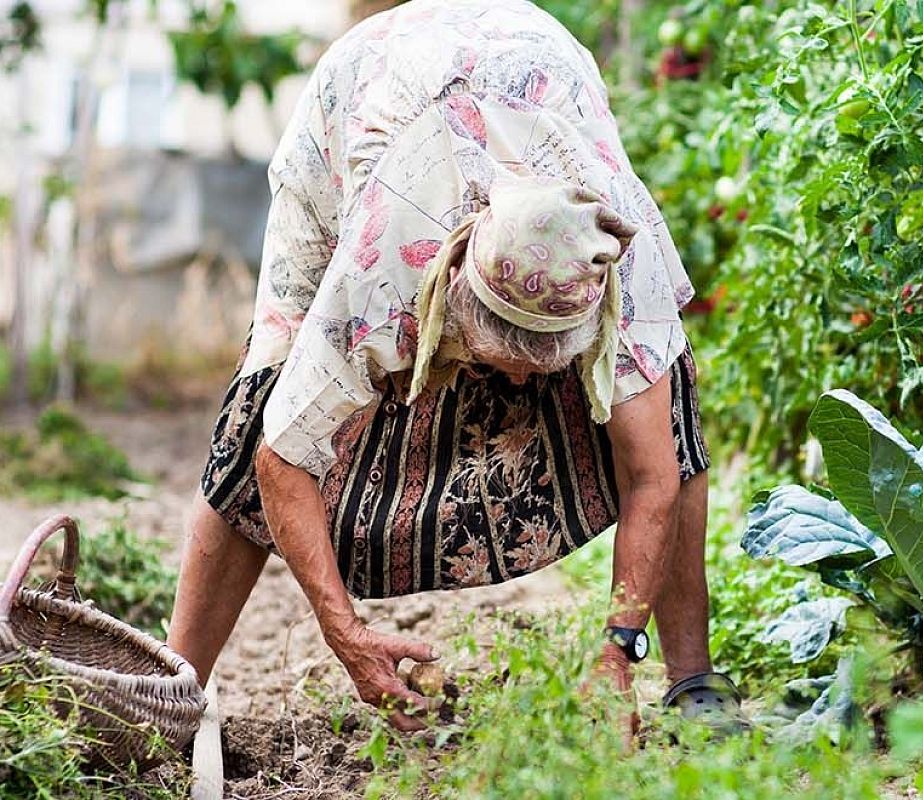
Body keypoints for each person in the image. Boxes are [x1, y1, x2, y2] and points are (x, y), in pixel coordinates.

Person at [167, 0, 743, 733]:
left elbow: (653, 475)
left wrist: (616, 655)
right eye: (501, 363)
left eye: (541, 372)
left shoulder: (624, 266)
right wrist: (345, 634)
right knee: (262, 401)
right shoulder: (382, 264)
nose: (514, 388)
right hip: (364, 95)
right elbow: (282, 457)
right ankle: (175, 684)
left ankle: (692, 680)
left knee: (671, 421)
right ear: (448, 297)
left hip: (536, 67)